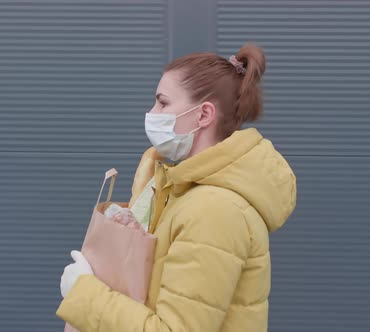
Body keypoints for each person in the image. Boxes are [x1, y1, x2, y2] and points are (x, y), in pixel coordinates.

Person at [57, 44, 297, 331]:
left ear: (203, 115)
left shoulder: (215, 210)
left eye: (163, 102)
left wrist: (84, 293)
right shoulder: (183, 191)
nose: (152, 112)